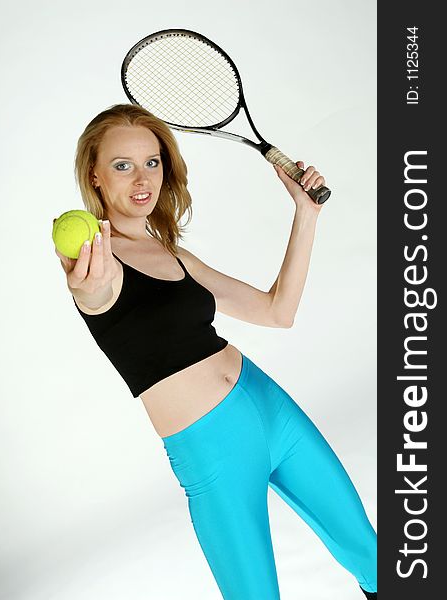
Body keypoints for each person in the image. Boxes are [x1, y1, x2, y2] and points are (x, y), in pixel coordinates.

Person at [54, 103, 377, 599]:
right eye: (123, 165)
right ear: (94, 176)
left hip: (273, 411)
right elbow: (92, 293)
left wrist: (305, 213)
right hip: (212, 450)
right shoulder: (98, 264)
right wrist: (86, 284)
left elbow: (277, 311)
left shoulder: (174, 254)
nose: (142, 178)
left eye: (152, 162)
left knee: (376, 559)